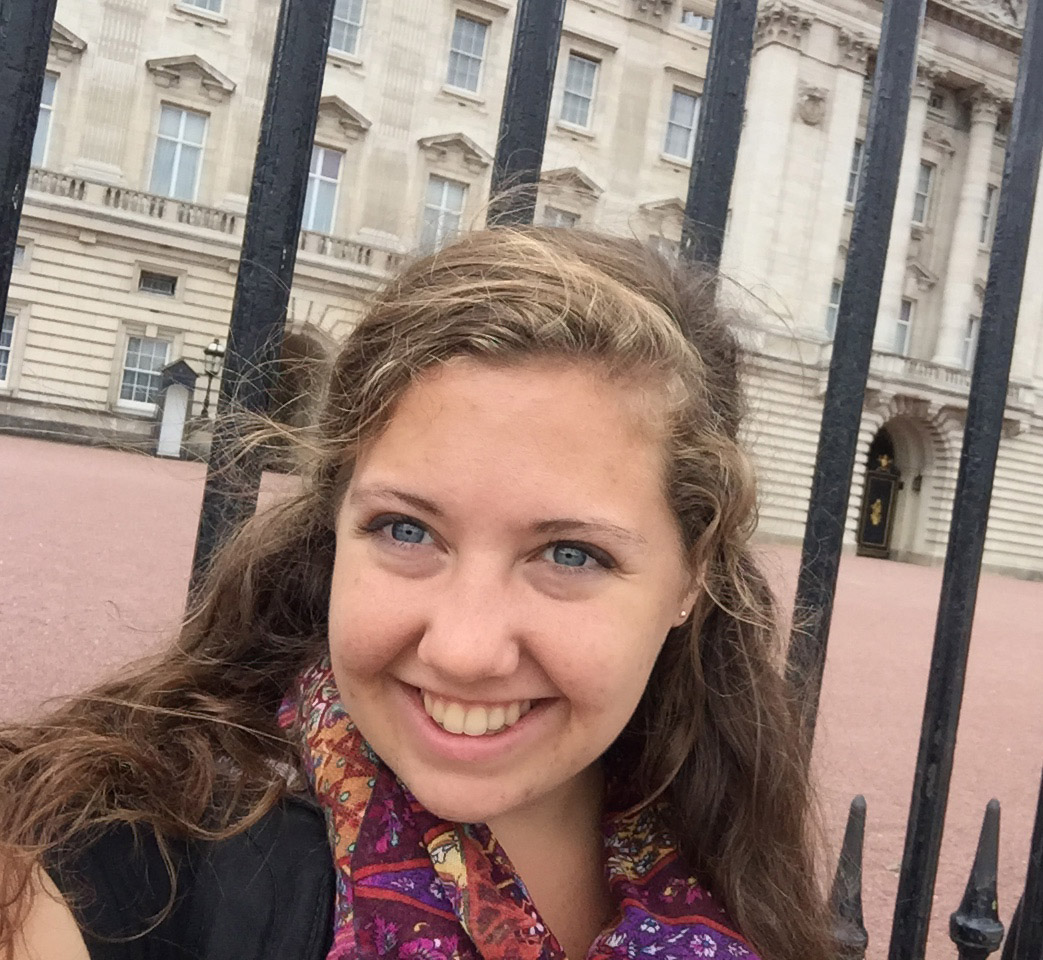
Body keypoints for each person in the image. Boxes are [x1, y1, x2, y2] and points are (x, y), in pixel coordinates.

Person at [1, 229, 833, 960]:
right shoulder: (105, 867)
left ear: (691, 576)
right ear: (335, 524)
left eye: (569, 554)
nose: (463, 651)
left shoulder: (720, 844)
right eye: (407, 532)